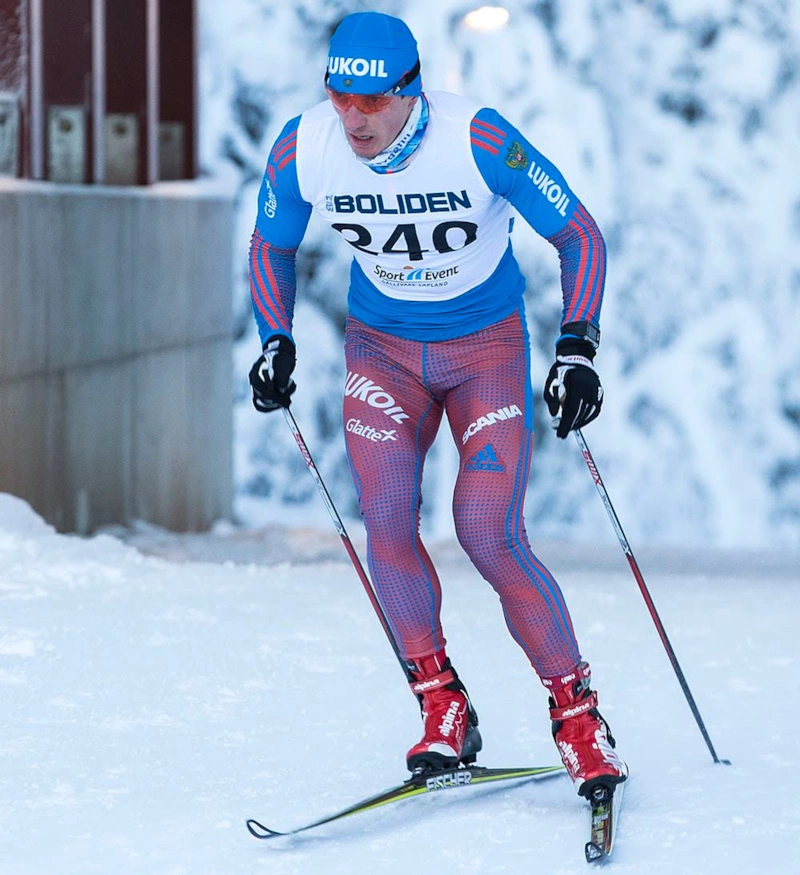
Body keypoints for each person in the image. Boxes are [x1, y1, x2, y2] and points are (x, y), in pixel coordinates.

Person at [248, 10, 627, 800]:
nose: (353, 118)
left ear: (411, 91)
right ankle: (441, 701)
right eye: (340, 98)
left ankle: (578, 715)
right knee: (386, 519)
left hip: (483, 350)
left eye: (373, 101)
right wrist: (275, 338)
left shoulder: (478, 139)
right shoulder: (304, 145)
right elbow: (270, 244)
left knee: (487, 531)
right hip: (382, 350)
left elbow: (579, 235)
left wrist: (578, 349)